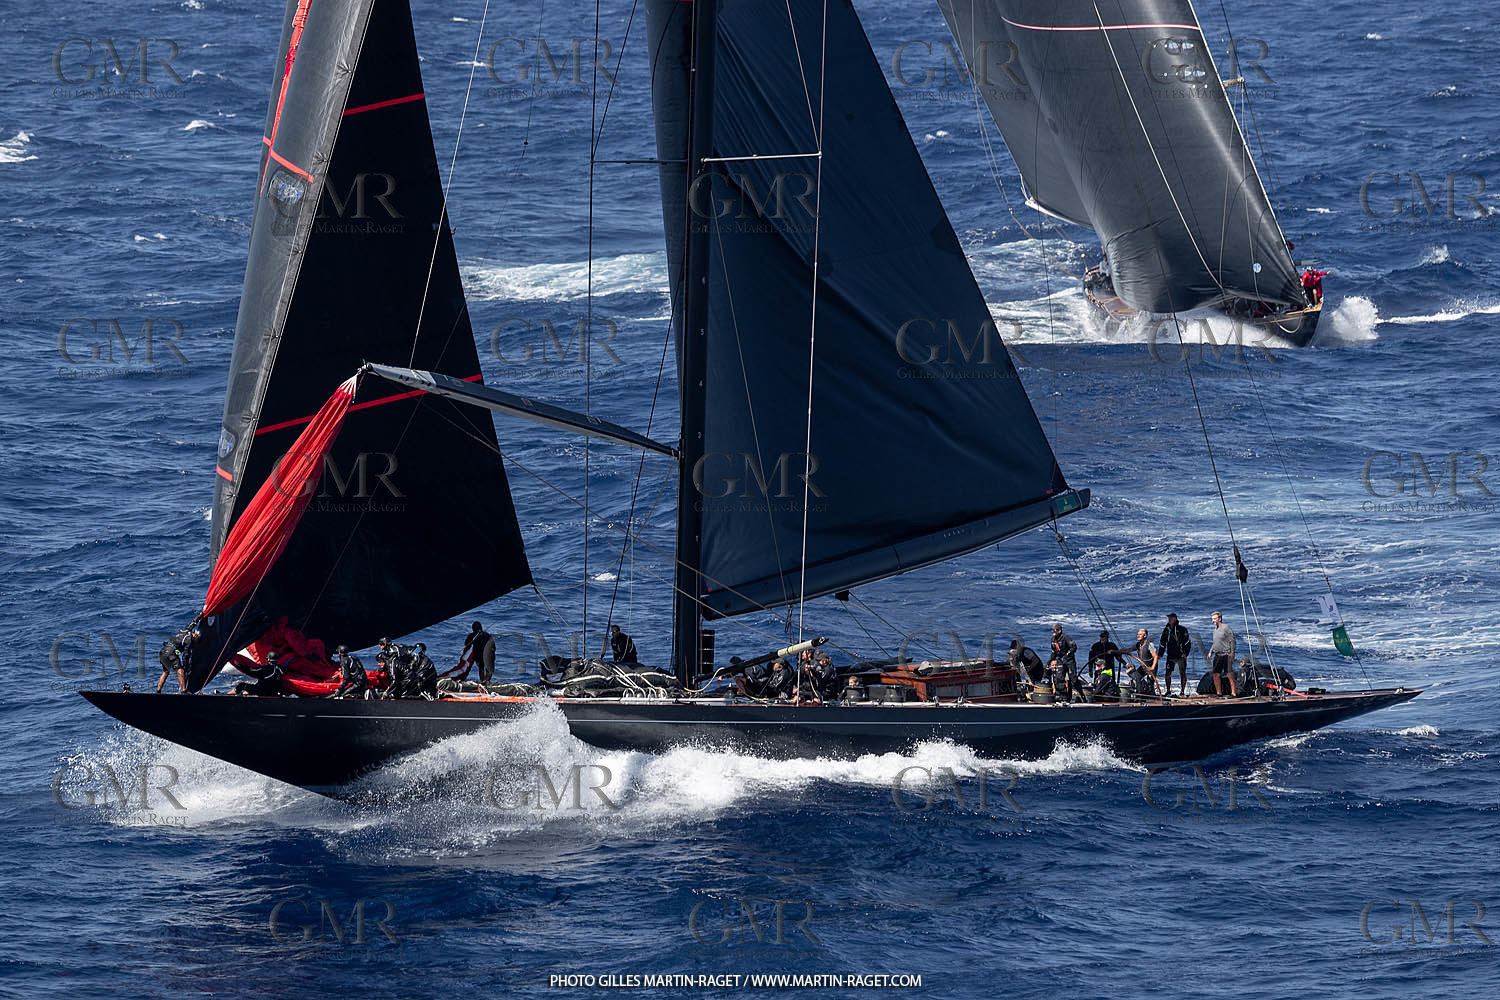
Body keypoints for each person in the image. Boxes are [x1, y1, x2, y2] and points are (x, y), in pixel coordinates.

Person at [156, 621, 200, 694]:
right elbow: (185, 656)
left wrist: (201, 614)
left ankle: (158, 691)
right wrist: (186, 668)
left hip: (163, 650)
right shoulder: (189, 640)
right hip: (171, 652)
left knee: (166, 671)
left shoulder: (186, 629)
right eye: (197, 639)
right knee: (180, 670)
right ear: (195, 635)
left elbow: (193, 622)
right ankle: (183, 691)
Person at [1158, 613, 1192, 697]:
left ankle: (1182, 691)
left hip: (1180, 655)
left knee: (1182, 673)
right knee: (1168, 672)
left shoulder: (1182, 629)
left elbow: (1187, 642)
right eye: (1169, 618)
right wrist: (1160, 654)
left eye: (1171, 618)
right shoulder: (1166, 630)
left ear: (1175, 619)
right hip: (1171, 655)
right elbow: (1162, 643)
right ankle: (1168, 690)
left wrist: (1185, 653)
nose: (1169, 619)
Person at [1208, 611, 1238, 698]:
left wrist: (1232, 652)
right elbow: (1215, 643)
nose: (1213, 621)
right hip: (1217, 655)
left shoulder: (1226, 628)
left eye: (1214, 619)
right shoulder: (1215, 630)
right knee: (1216, 674)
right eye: (1212, 619)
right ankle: (1219, 693)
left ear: (1219, 619)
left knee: (1229, 674)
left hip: (1226, 655)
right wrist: (1210, 652)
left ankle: (1233, 693)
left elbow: (1232, 640)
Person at [1128, 628, 1160, 693]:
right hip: (1143, 667)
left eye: (1140, 634)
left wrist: (1152, 668)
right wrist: (1117, 651)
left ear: (1145, 636)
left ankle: (1150, 696)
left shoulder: (1149, 644)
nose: (1138, 636)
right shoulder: (1138, 645)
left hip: (1151, 667)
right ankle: (1140, 694)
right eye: (1137, 634)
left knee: (1150, 684)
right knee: (1137, 677)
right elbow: (1128, 650)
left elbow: (1155, 656)